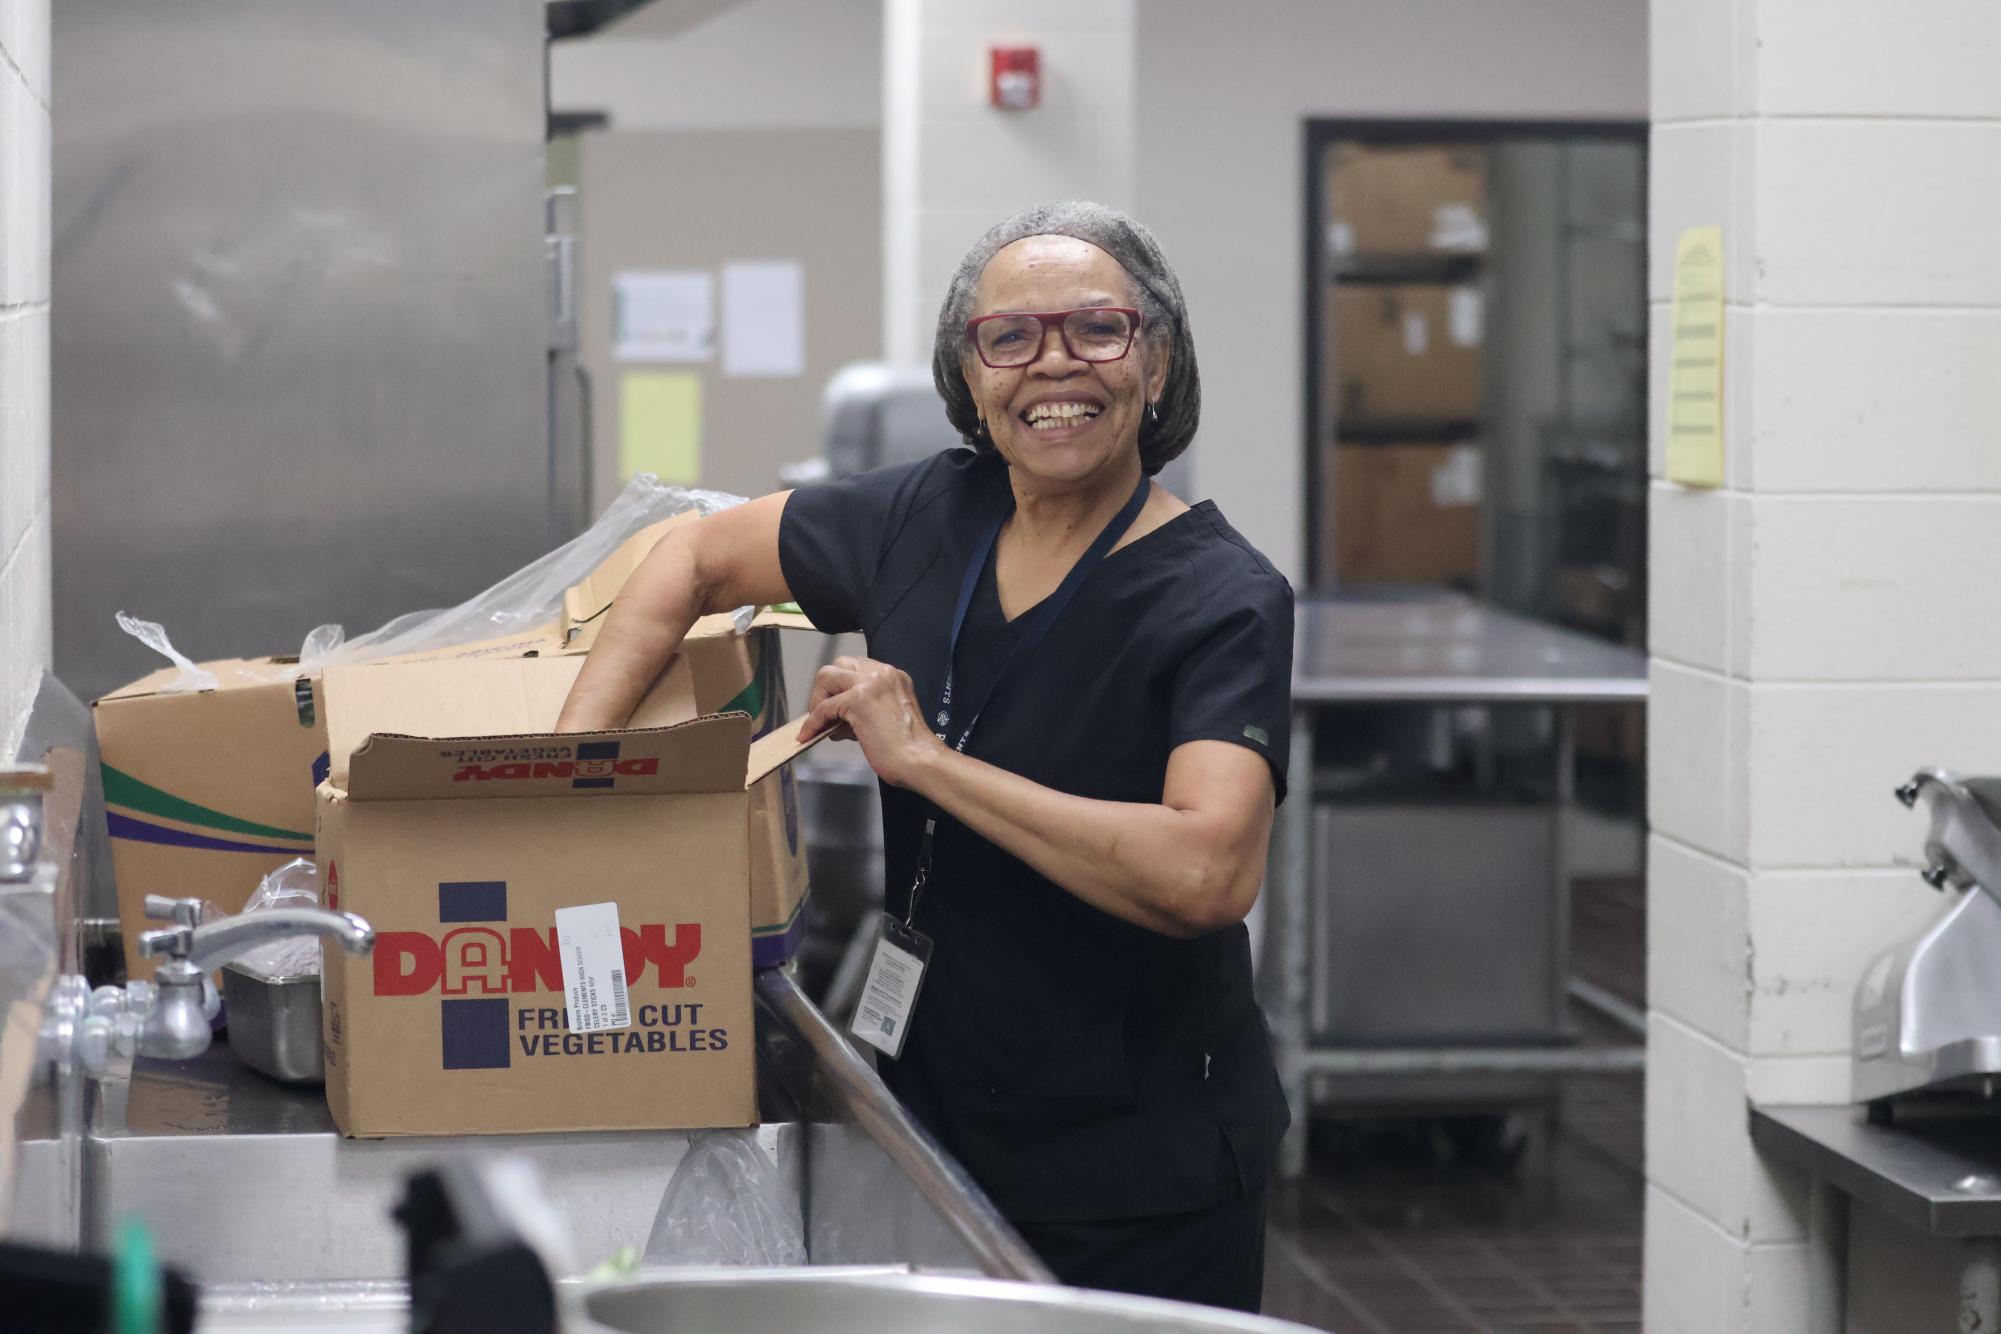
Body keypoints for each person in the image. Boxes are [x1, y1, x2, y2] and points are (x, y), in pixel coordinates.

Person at [558, 200, 1293, 1311]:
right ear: (970, 371)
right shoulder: (926, 514)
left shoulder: (1220, 597)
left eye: (1098, 328)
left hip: (1136, 1167)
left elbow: (1206, 870)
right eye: (1011, 336)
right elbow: (689, 557)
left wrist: (930, 762)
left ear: (1157, 360)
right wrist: (565, 778)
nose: (1055, 364)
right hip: (932, 1119)